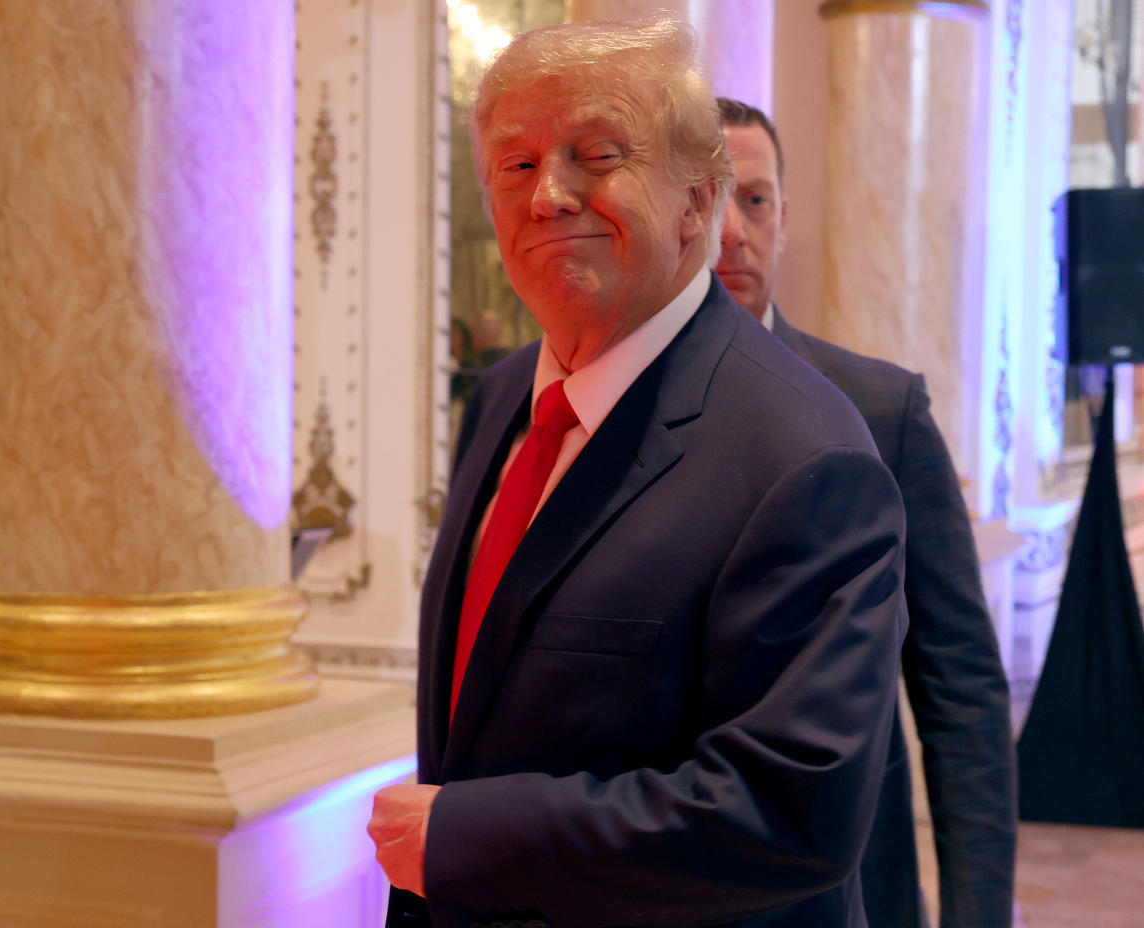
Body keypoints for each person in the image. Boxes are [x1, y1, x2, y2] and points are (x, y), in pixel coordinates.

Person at [367, 20, 909, 927]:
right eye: (516, 163)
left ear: (698, 200)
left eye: (596, 154)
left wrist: (468, 837)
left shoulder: (808, 458)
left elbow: (789, 811)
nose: (547, 196)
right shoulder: (502, 401)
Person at [715, 97, 1017, 928]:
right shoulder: (607, 417)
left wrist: (979, 913)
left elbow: (961, 694)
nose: (733, 231)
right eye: (710, 199)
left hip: (857, 897)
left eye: (756, 199)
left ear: (784, 215)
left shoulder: (880, 410)